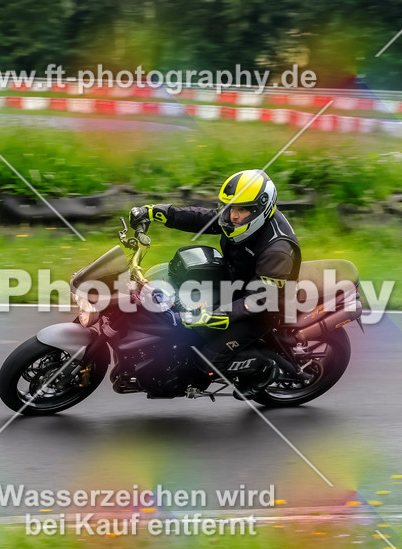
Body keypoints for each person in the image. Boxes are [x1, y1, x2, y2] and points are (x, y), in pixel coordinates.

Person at [129, 169, 303, 396]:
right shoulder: (238, 220)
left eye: (242, 209)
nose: (233, 215)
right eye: (230, 207)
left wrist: (215, 315)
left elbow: (258, 300)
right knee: (172, 295)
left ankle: (263, 369)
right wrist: (156, 212)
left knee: (207, 359)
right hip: (235, 282)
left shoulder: (278, 250)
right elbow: (200, 218)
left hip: (263, 309)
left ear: (260, 209)